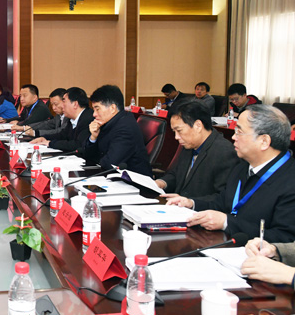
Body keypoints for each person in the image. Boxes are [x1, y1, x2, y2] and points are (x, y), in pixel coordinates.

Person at [166, 105, 295, 242]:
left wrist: (227, 222)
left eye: (239, 132)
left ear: (264, 141)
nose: (233, 137)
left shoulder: (290, 181)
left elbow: (285, 238)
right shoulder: (243, 167)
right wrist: (191, 203)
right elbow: (222, 202)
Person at [156, 101, 239, 198]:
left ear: (198, 126)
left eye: (179, 131)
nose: (176, 137)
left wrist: (192, 203)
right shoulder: (189, 145)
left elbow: (223, 197)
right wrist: (161, 183)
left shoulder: (225, 153)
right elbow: (177, 175)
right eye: (174, 131)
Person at [79, 85, 152, 176]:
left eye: (97, 109)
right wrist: (93, 137)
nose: (94, 114)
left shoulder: (126, 128)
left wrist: (95, 159)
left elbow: (110, 164)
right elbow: (87, 155)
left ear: (112, 108)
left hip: (132, 181)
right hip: (112, 176)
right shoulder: (108, 122)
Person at [30, 87, 93, 152]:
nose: (62, 106)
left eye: (64, 101)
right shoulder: (72, 119)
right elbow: (62, 135)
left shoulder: (88, 119)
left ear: (75, 104)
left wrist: (50, 143)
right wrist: (44, 138)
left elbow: (77, 144)